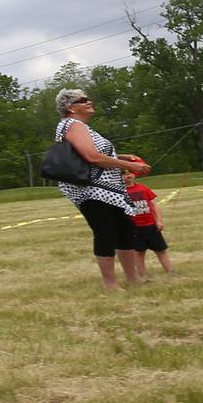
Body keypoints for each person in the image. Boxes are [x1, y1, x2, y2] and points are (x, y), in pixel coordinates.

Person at [51, 90, 151, 290]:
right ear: (71, 108)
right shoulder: (74, 124)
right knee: (105, 232)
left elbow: (91, 152)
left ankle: (133, 278)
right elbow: (92, 157)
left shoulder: (82, 127)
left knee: (125, 228)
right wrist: (131, 167)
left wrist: (123, 158)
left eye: (88, 98)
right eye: (83, 100)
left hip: (107, 188)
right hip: (91, 189)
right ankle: (110, 284)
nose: (89, 102)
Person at [124, 170, 175, 275]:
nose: (128, 175)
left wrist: (159, 220)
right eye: (124, 173)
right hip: (134, 228)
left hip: (151, 226)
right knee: (139, 253)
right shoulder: (120, 192)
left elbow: (154, 205)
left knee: (161, 250)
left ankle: (171, 271)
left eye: (130, 172)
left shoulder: (143, 188)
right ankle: (142, 275)